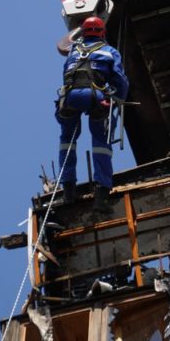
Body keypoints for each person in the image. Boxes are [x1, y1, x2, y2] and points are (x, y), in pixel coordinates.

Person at [56, 16, 129, 212]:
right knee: (101, 141)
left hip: (70, 98)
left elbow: (65, 65)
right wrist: (116, 99)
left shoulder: (73, 50)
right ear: (102, 33)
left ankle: (68, 190)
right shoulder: (109, 51)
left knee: (67, 140)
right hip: (95, 96)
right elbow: (120, 81)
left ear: (84, 32)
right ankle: (102, 194)